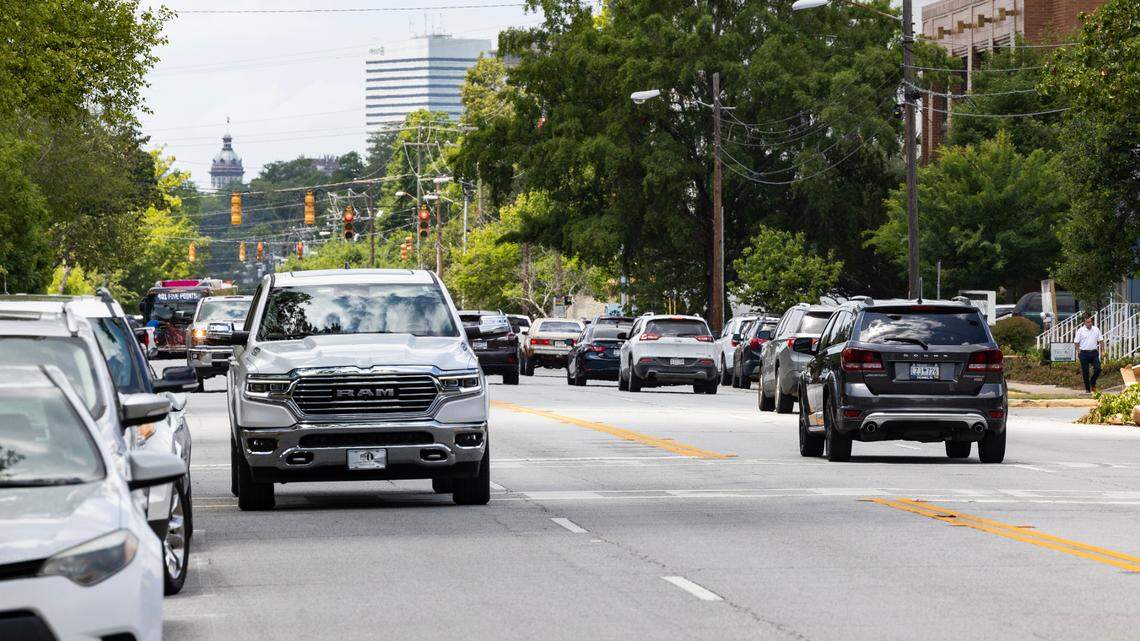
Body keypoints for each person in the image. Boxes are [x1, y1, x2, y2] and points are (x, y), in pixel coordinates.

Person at [1074, 314, 1105, 393]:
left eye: (1091, 322)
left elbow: (1101, 340)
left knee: (1098, 369)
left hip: (1093, 352)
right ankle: (1088, 389)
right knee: (1085, 371)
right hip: (1084, 353)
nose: (1090, 323)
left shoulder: (1096, 329)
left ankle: (1092, 382)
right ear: (1084, 322)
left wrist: (1103, 350)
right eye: (1087, 322)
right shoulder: (1080, 330)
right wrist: (1078, 351)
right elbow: (1076, 342)